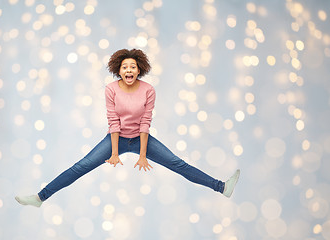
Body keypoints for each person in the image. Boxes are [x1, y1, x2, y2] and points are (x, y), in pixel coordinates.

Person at [15, 49, 240, 208]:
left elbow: (145, 123)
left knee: (177, 164)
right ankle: (40, 198)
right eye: (125, 67)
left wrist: (142, 155)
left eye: (133, 66)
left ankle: (221, 187)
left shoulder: (148, 90)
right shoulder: (111, 89)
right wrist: (114, 152)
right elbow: (113, 122)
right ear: (118, 70)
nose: (129, 69)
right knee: (80, 167)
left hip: (141, 138)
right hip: (117, 138)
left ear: (139, 69)